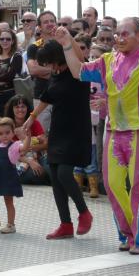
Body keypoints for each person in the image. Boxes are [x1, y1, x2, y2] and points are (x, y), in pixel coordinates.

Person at [55, 17, 139, 254]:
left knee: (137, 186)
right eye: (118, 34)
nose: (120, 38)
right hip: (114, 131)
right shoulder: (107, 60)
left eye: (126, 34)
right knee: (112, 185)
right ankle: (126, 232)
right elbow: (77, 72)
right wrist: (66, 44)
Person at [23, 40, 93, 240]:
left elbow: (79, 55)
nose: (50, 67)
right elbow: (47, 97)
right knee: (54, 176)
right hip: (58, 129)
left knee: (64, 173)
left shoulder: (77, 70)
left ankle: (84, 212)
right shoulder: (56, 75)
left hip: (76, 129)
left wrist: (67, 38)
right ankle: (65, 224)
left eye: (51, 62)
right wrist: (32, 118)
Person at [4, 94, 50, 185]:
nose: (20, 109)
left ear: (27, 108)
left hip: (37, 157)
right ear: (11, 109)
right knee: (33, 174)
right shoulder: (7, 125)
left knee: (50, 168)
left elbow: (46, 144)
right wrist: (29, 161)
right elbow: (7, 152)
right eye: (17, 107)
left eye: (23, 106)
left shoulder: (34, 123)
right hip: (17, 161)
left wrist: (30, 147)